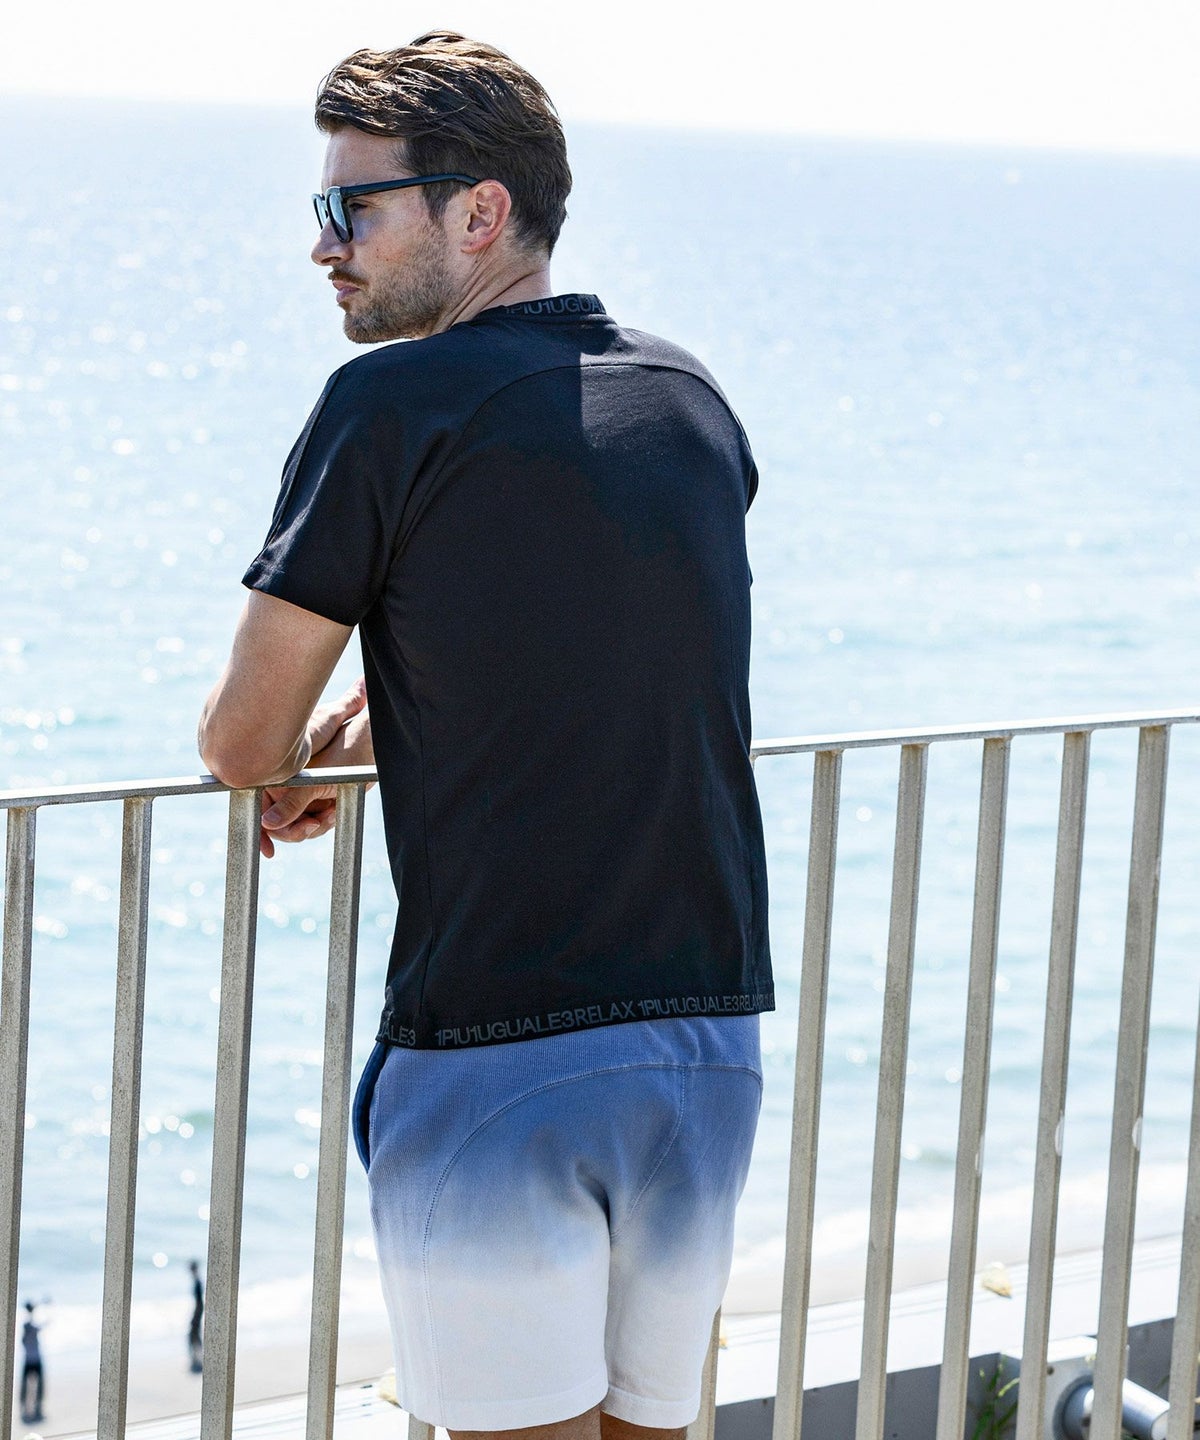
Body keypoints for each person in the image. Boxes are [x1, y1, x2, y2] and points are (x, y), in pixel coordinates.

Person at [198, 31, 772, 1440]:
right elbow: (587, 646)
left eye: (352, 207)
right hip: (704, 1039)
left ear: (479, 213)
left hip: (503, 1044)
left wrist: (301, 755)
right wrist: (391, 731)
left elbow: (240, 742)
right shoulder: (688, 397)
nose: (323, 246)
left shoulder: (387, 404)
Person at [20, 1301, 44, 1425]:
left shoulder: (27, 1326)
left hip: (30, 1358)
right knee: (37, 1384)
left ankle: (29, 1406)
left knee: (28, 1385)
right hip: (34, 1358)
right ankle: (34, 1406)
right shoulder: (30, 1326)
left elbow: (23, 1341)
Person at [187, 1260, 204, 1373]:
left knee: (194, 1335)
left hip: (198, 1310)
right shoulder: (197, 1280)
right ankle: (196, 1359)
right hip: (198, 1309)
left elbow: (199, 1300)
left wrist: (196, 1314)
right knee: (194, 1335)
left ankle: (197, 1360)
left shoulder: (197, 1281)